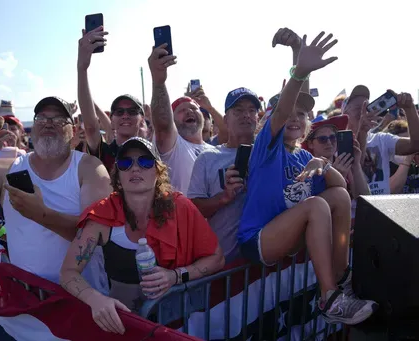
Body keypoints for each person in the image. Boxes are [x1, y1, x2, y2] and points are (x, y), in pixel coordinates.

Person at [0, 96, 112, 337]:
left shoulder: (90, 168)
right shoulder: (10, 168)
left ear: (73, 130)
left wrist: (42, 215)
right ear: (33, 127)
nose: (48, 123)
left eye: (58, 118)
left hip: (80, 305)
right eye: (42, 118)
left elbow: (97, 236)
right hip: (26, 306)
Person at [238, 31, 376, 325]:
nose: (294, 117)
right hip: (259, 240)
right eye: (288, 112)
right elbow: (283, 110)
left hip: (289, 234)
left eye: (302, 114)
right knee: (315, 205)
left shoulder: (305, 156)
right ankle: (329, 298)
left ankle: (340, 279)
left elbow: (342, 192)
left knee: (334, 197)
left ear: (307, 125)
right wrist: (299, 70)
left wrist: (324, 165)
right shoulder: (267, 148)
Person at [60, 137, 224, 335]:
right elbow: (68, 272)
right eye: (125, 163)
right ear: (117, 175)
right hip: (124, 327)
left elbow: (217, 258)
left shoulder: (182, 207)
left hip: (179, 326)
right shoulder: (102, 215)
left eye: (145, 162)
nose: (135, 168)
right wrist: (96, 300)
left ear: (158, 171)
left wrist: (175, 276)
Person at [188, 87, 261, 262]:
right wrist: (224, 197)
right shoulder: (208, 158)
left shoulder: (268, 155)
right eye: (239, 110)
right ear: (226, 120)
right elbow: (194, 208)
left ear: (258, 118)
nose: (246, 115)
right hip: (224, 265)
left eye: (252, 110)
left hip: (265, 264)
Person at [148, 45, 215, 196]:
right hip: (179, 219)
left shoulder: (215, 151)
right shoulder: (174, 146)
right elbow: (163, 123)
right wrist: (158, 81)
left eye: (193, 108)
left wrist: (209, 108)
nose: (189, 111)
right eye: (182, 110)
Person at [77, 26, 146, 173]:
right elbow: (91, 127)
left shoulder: (152, 151)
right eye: (119, 112)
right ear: (112, 120)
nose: (125, 115)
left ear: (142, 118)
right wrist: (82, 68)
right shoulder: (105, 153)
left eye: (132, 111)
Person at [342, 86, 419, 195]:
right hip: (354, 211)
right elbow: (355, 167)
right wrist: (362, 130)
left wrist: (409, 108)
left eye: (368, 108)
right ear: (345, 114)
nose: (364, 113)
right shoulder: (335, 143)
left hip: (381, 210)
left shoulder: (381, 139)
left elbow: (415, 145)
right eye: (358, 108)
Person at [303, 115, 370, 199]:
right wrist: (336, 178)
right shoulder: (308, 167)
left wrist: (356, 165)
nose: (329, 142)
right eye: (322, 139)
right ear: (310, 144)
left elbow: (365, 198)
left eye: (333, 137)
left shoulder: (343, 162)